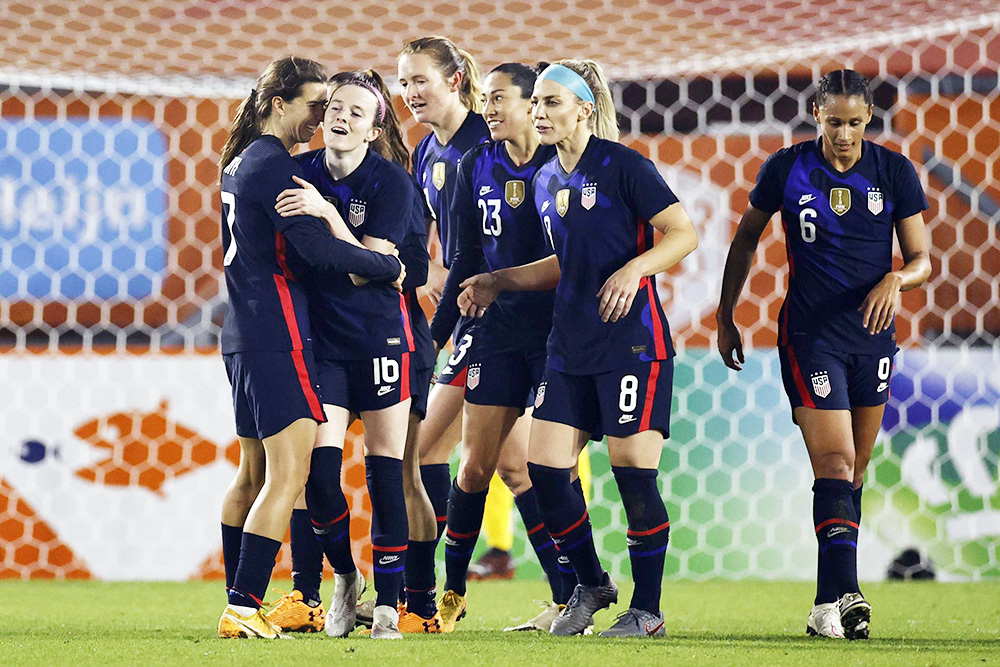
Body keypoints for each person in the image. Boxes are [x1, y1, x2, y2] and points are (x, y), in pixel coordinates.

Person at [458, 59, 698, 637]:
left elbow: (683, 232)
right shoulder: (547, 180)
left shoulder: (623, 167)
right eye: (535, 103)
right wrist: (500, 280)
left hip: (631, 343)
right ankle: (590, 585)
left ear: (583, 109)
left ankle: (648, 610)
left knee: (632, 474)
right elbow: (569, 261)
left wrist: (633, 272)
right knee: (543, 470)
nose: (539, 113)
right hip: (568, 345)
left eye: (552, 103)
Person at [715, 69, 930, 640]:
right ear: (816, 115)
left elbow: (922, 259)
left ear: (868, 119)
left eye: (855, 122)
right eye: (834, 122)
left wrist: (895, 280)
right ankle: (851, 595)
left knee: (853, 474)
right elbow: (744, 239)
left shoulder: (893, 171)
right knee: (834, 466)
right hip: (810, 337)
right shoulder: (786, 168)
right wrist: (725, 315)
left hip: (873, 339)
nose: (844, 133)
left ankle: (822, 605)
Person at [216, 57, 405, 639]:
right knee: (289, 475)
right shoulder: (277, 168)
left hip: (240, 333)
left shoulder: (242, 160)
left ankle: (238, 599)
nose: (323, 116)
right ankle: (244, 609)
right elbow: (319, 252)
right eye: (315, 105)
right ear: (279, 104)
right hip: (278, 333)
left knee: (251, 476)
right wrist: (386, 265)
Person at [428, 61, 584, 633]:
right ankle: (447, 597)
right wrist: (432, 342)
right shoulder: (476, 163)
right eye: (485, 99)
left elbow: (583, 257)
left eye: (499, 99)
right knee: (475, 469)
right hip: (497, 335)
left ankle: (574, 597)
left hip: (556, 337)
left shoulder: (563, 166)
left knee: (543, 469)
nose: (487, 109)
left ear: (533, 106)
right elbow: (464, 262)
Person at [269, 69, 422, 640]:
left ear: (375, 126)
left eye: (358, 112)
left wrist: (329, 216)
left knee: (386, 472)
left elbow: (371, 271)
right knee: (318, 474)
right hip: (322, 345)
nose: (341, 117)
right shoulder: (297, 173)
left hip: (381, 339)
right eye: (335, 106)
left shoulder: (391, 184)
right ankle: (344, 577)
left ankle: (389, 602)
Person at [395, 35, 491, 628]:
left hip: (499, 317)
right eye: (403, 83)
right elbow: (421, 241)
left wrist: (437, 326)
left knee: (428, 447)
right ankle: (575, 589)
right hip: (466, 314)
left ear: (454, 80)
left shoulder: (489, 142)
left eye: (419, 80)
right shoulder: (425, 151)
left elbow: (491, 243)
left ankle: (423, 594)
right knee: (507, 466)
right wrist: (421, 278)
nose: (409, 93)